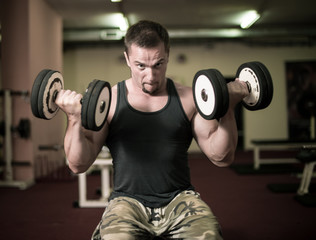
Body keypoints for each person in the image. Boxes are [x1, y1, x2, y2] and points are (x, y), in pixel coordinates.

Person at [56, 20, 249, 240]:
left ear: (167, 55)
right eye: (141, 66)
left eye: (158, 64)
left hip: (180, 199)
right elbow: (78, 164)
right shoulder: (108, 100)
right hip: (126, 202)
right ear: (127, 58)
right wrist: (73, 119)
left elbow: (221, 156)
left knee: (210, 236)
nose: (150, 76)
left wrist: (228, 109)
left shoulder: (188, 99)